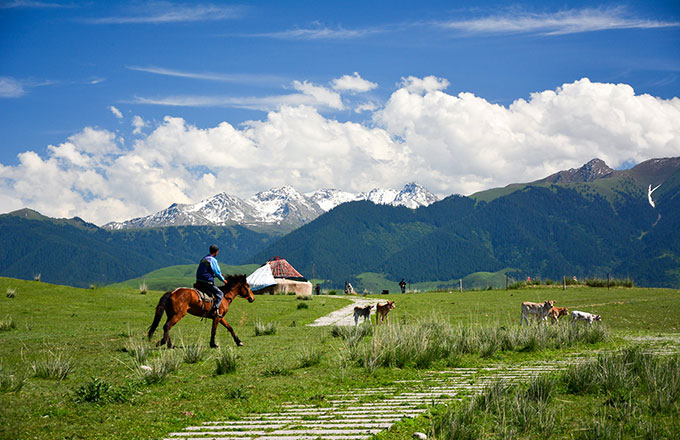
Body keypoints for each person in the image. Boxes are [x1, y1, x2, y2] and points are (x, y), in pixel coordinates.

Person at [196, 244, 227, 317]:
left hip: (199, 280)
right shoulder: (213, 260)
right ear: (217, 251)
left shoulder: (204, 258)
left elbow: (207, 271)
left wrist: (215, 275)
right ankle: (215, 310)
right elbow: (217, 272)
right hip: (207, 281)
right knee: (220, 294)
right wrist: (223, 280)